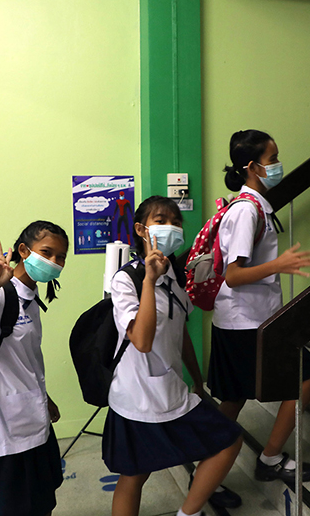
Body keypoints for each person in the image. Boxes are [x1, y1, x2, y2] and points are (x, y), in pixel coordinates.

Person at [104, 196, 243, 516]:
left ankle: (188, 512)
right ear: (141, 229)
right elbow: (141, 341)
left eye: (176, 222)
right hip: (136, 396)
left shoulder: (175, 278)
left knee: (228, 441)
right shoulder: (126, 280)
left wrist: (197, 379)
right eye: (161, 220)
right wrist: (149, 281)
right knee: (135, 475)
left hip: (171, 389)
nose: (171, 227)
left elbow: (180, 333)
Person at [209, 129, 310, 485]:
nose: (277, 165)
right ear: (252, 167)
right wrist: (279, 264)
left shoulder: (252, 205)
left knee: (233, 398)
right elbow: (233, 275)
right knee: (309, 376)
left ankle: (204, 472)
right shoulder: (246, 210)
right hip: (246, 322)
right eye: (272, 159)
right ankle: (270, 458)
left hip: (238, 319)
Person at [0, 221, 68, 516]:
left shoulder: (30, 298)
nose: (54, 262)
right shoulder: (1, 295)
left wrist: (45, 398)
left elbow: (25, 359)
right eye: (47, 252)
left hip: (34, 420)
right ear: (24, 250)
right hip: (6, 430)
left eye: (61, 257)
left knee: (41, 501)